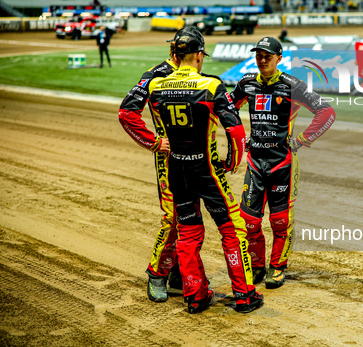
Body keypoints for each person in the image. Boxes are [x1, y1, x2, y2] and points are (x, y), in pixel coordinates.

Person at [127, 26, 263, 314]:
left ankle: (195, 295)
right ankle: (244, 294)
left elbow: (129, 112)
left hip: (175, 169)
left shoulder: (155, 84)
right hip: (207, 170)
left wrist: (154, 142)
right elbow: (237, 132)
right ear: (199, 55)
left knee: (187, 232)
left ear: (175, 53)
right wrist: (231, 162)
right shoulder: (211, 85)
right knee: (232, 229)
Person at [230, 36, 336, 289]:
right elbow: (227, 109)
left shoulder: (292, 85)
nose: (262, 59)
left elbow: (327, 111)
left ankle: (277, 267)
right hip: (255, 163)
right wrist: (238, 139)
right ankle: (257, 266)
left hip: (282, 164)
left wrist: (301, 139)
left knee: (280, 221)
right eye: (259, 54)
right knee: (250, 220)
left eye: (268, 55)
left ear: (279, 58)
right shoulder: (246, 83)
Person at [119, 28, 190, 303]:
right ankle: (156, 273)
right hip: (169, 157)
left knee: (189, 217)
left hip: (193, 157)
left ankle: (177, 271)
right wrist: (153, 142)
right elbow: (126, 112)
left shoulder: (195, 76)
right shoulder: (156, 73)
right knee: (172, 216)